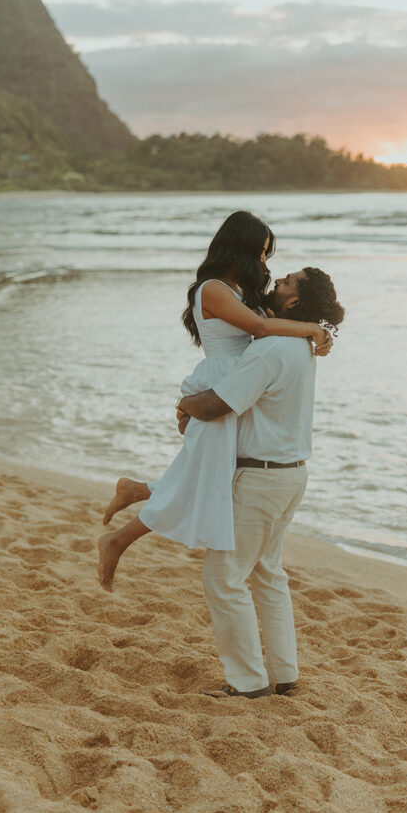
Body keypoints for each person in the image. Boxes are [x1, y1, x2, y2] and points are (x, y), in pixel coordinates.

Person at [97, 211, 332, 590]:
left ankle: (135, 494)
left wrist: (321, 336)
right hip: (220, 386)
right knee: (205, 477)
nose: (264, 264)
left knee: (208, 475)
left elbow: (273, 328)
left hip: (239, 385)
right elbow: (260, 328)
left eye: (266, 256)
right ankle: (117, 538)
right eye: (260, 254)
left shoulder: (242, 294)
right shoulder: (213, 289)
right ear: (237, 249)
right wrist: (313, 329)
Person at [175, 267, 344, 699]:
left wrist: (185, 403)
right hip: (290, 476)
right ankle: (285, 673)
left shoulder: (270, 349)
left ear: (291, 303)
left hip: (260, 479)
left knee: (223, 577)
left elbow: (219, 404)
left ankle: (248, 683)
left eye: (285, 282)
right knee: (268, 573)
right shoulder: (301, 346)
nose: (276, 284)